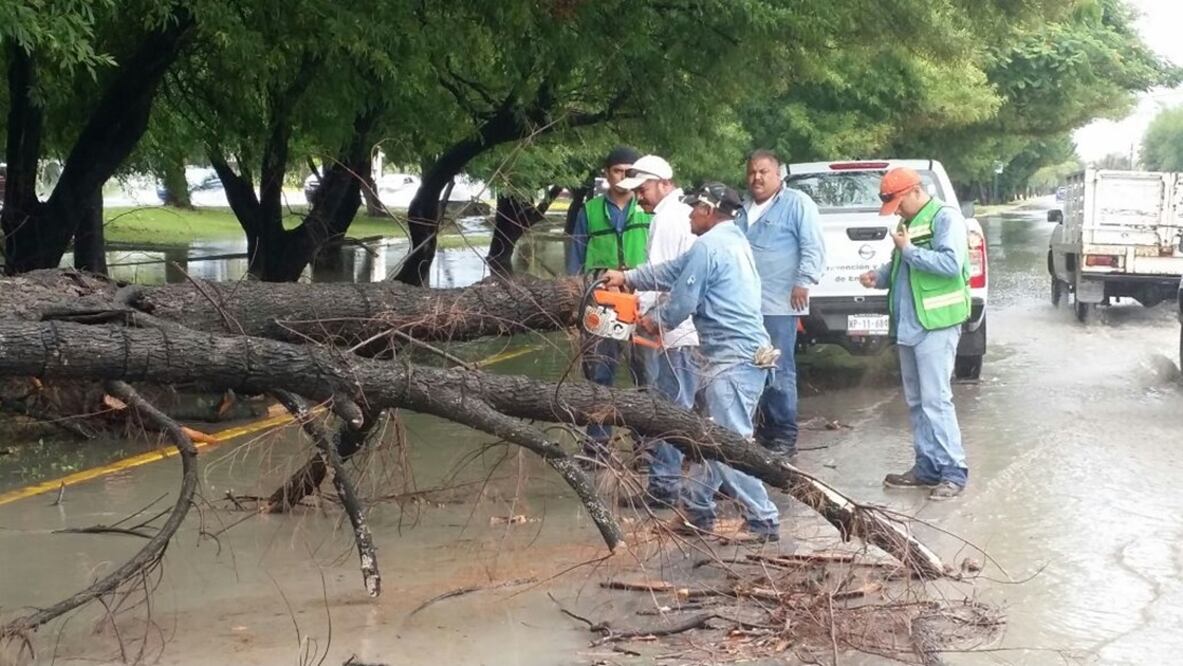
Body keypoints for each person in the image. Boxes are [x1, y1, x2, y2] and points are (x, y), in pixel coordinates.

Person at [602, 183, 781, 542]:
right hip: (741, 356)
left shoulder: (710, 245)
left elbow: (682, 299)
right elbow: (672, 270)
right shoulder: (731, 241)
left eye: (696, 206)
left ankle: (764, 519)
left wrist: (656, 321)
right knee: (717, 441)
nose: (690, 213)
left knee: (731, 444)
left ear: (711, 210)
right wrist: (628, 277)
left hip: (735, 358)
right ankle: (697, 511)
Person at [859, 167, 970, 500]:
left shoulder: (945, 219)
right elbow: (899, 266)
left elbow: (951, 265)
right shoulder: (908, 223)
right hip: (909, 325)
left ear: (914, 192)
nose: (896, 212)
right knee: (918, 402)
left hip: (936, 324)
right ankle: (927, 467)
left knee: (937, 401)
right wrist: (877, 277)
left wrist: (910, 251)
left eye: (898, 204)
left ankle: (953, 471)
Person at [614, 155, 699, 507]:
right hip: (688, 329)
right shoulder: (680, 213)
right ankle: (718, 481)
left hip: (677, 332)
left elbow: (659, 274)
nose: (640, 197)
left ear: (664, 183)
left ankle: (664, 487)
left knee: (669, 409)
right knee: (694, 409)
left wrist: (641, 314)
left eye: (644, 189)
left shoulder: (667, 218)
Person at [567, 146, 653, 463]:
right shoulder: (588, 211)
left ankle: (645, 446)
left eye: (630, 172)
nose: (624, 177)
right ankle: (598, 445)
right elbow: (575, 258)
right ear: (607, 174)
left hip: (640, 298)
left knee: (643, 374)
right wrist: (575, 301)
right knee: (599, 372)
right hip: (602, 301)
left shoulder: (647, 207)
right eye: (618, 170)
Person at [739, 150, 825, 458]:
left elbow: (813, 245)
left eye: (764, 172)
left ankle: (784, 437)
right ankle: (761, 433)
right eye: (752, 172)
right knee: (752, 367)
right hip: (745, 305)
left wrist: (804, 280)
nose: (757, 178)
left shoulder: (796, 204)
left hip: (779, 302)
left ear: (778, 175)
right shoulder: (743, 209)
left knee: (778, 368)